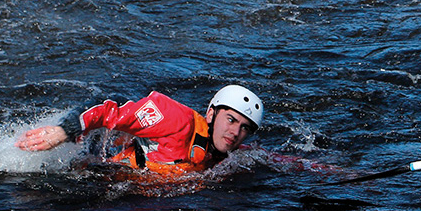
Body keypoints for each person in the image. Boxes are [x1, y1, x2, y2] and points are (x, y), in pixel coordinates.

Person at [17, 84, 265, 175]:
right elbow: (109, 110)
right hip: (98, 164)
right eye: (230, 120)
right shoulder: (176, 120)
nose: (235, 132)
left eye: (245, 128)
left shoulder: (230, 155)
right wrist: (65, 131)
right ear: (211, 114)